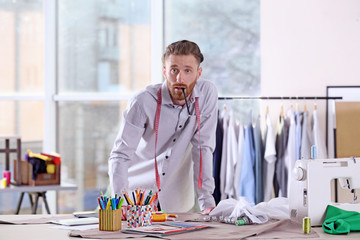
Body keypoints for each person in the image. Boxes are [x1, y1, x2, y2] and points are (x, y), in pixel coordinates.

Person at [108, 40, 218, 218]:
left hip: (177, 201)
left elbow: (203, 147)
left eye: (187, 71)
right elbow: (120, 154)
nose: (179, 79)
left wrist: (207, 202)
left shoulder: (206, 95)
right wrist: (119, 200)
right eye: (174, 70)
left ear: (199, 73)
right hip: (136, 200)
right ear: (164, 71)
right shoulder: (143, 102)